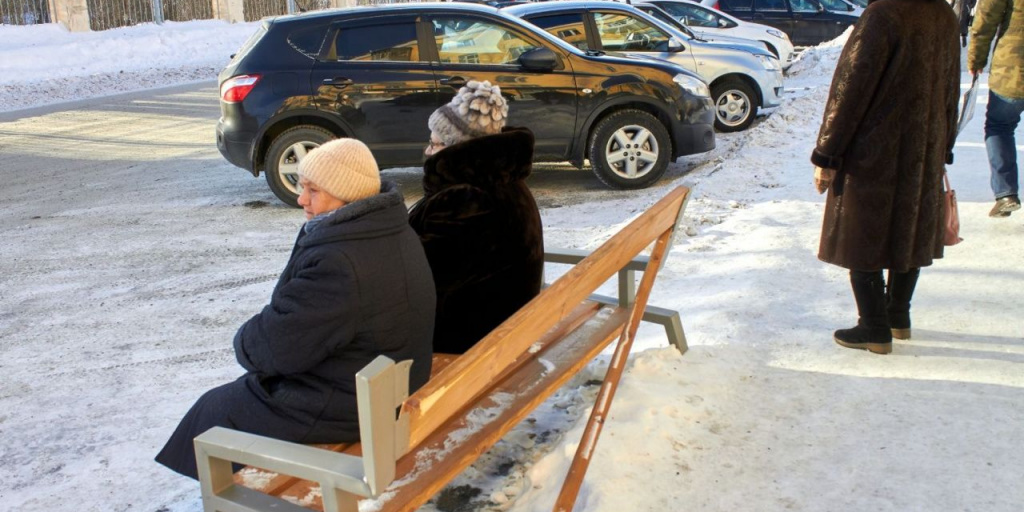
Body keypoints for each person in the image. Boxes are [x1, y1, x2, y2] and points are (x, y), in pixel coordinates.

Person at [155, 138, 435, 479]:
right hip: (383, 381)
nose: (302, 199)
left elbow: (277, 350)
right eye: (303, 187)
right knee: (228, 403)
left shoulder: (339, 261)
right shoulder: (388, 228)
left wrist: (245, 339)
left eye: (313, 190)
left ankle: (223, 496)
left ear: (345, 194)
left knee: (216, 410)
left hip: (349, 403)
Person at [811, 0, 960, 355]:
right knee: (908, 229)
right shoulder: (942, 14)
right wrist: (944, 144)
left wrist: (827, 152)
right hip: (925, 144)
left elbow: (850, 88)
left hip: (874, 147)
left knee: (862, 232)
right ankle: (897, 316)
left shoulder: (883, 14)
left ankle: (873, 327)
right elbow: (951, 87)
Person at [409, 80, 544, 355]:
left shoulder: (466, 198)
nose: (428, 151)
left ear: (455, 148)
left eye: (434, 144)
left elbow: (420, 280)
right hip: (504, 328)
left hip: (469, 343)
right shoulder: (504, 181)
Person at [968, 0, 1024, 217]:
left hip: (1013, 70)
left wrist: (976, 59)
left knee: (999, 126)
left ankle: (1006, 194)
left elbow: (985, 20)